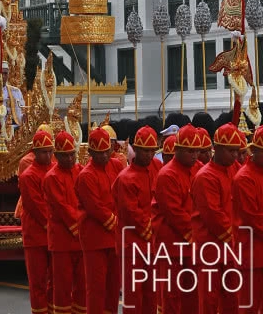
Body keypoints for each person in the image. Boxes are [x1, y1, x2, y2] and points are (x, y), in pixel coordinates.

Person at [191, 122, 240, 314]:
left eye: (237, 151)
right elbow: (213, 215)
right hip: (211, 248)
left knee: (232, 298)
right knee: (209, 300)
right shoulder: (205, 176)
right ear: (217, 148)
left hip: (231, 246)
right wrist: (235, 238)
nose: (235, 156)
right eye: (231, 151)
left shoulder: (234, 169)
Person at [151, 124, 200, 314]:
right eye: (190, 151)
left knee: (193, 293)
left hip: (192, 243)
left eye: (196, 151)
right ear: (177, 150)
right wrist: (196, 235)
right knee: (172, 294)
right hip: (171, 243)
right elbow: (174, 212)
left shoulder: (198, 169)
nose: (194, 156)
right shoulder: (167, 175)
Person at [112, 125, 158, 314]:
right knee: (133, 294)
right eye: (144, 151)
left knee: (151, 293)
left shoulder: (157, 167)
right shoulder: (125, 178)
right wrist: (153, 227)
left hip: (153, 242)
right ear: (136, 150)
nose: (148, 155)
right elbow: (131, 212)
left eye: (152, 151)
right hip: (132, 244)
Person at [74, 127, 120, 314]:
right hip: (95, 237)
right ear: (91, 152)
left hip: (114, 236)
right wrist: (117, 222)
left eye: (106, 152)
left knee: (113, 287)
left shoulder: (116, 165)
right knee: (96, 287)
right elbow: (95, 207)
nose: (104, 157)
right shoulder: (86, 175)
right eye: (99, 153)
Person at [43, 130, 85, 314]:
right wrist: (82, 227)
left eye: (72, 155)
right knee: (62, 285)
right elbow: (62, 208)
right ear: (57, 156)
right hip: (62, 240)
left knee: (83, 285)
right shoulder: (51, 178)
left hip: (81, 239)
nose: (70, 159)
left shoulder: (81, 171)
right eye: (65, 156)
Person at [19, 129, 54, 314]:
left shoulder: (55, 169)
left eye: (50, 151)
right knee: (38, 281)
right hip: (36, 235)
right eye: (44, 152)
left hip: (54, 234)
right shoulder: (28, 175)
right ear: (35, 152)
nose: (48, 156)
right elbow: (36, 206)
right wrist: (53, 225)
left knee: (56, 280)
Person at [233, 124, 263, 313]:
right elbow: (254, 218)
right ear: (256, 151)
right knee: (248, 308)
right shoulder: (244, 178)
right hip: (251, 256)